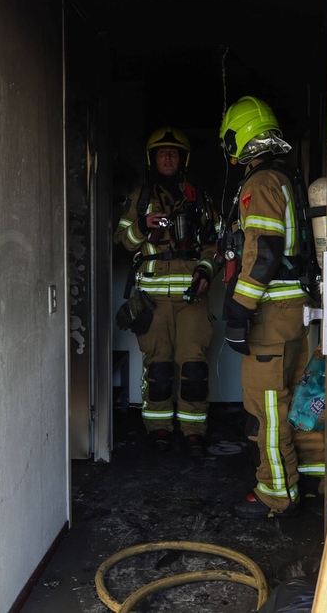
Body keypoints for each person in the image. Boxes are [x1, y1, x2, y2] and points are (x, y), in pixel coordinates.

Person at [217, 96, 325, 518]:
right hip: (296, 311)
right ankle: (315, 479)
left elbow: (264, 253)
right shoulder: (286, 177)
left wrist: (239, 311)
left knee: (269, 408)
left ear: (238, 137)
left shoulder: (259, 183)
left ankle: (276, 493)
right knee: (301, 401)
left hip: (271, 318)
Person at [114, 127, 221, 456]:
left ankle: (193, 432)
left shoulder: (199, 198)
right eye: (162, 152)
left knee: (194, 370)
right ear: (152, 158)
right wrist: (142, 227)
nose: (168, 156)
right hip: (153, 301)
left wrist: (206, 270)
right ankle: (158, 429)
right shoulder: (139, 198)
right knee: (158, 369)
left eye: (174, 152)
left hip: (192, 298)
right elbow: (120, 243)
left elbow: (216, 244)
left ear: (183, 158)